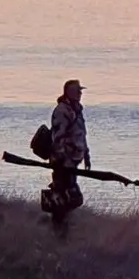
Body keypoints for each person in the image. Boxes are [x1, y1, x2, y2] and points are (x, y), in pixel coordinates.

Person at [44, 79, 91, 233]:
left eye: (80, 91)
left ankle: (63, 225)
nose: (80, 93)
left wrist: (86, 155)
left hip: (73, 160)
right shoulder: (62, 111)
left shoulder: (76, 110)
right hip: (63, 161)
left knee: (70, 196)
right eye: (77, 91)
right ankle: (58, 228)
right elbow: (58, 137)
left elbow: (81, 135)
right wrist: (62, 159)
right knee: (64, 194)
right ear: (69, 92)